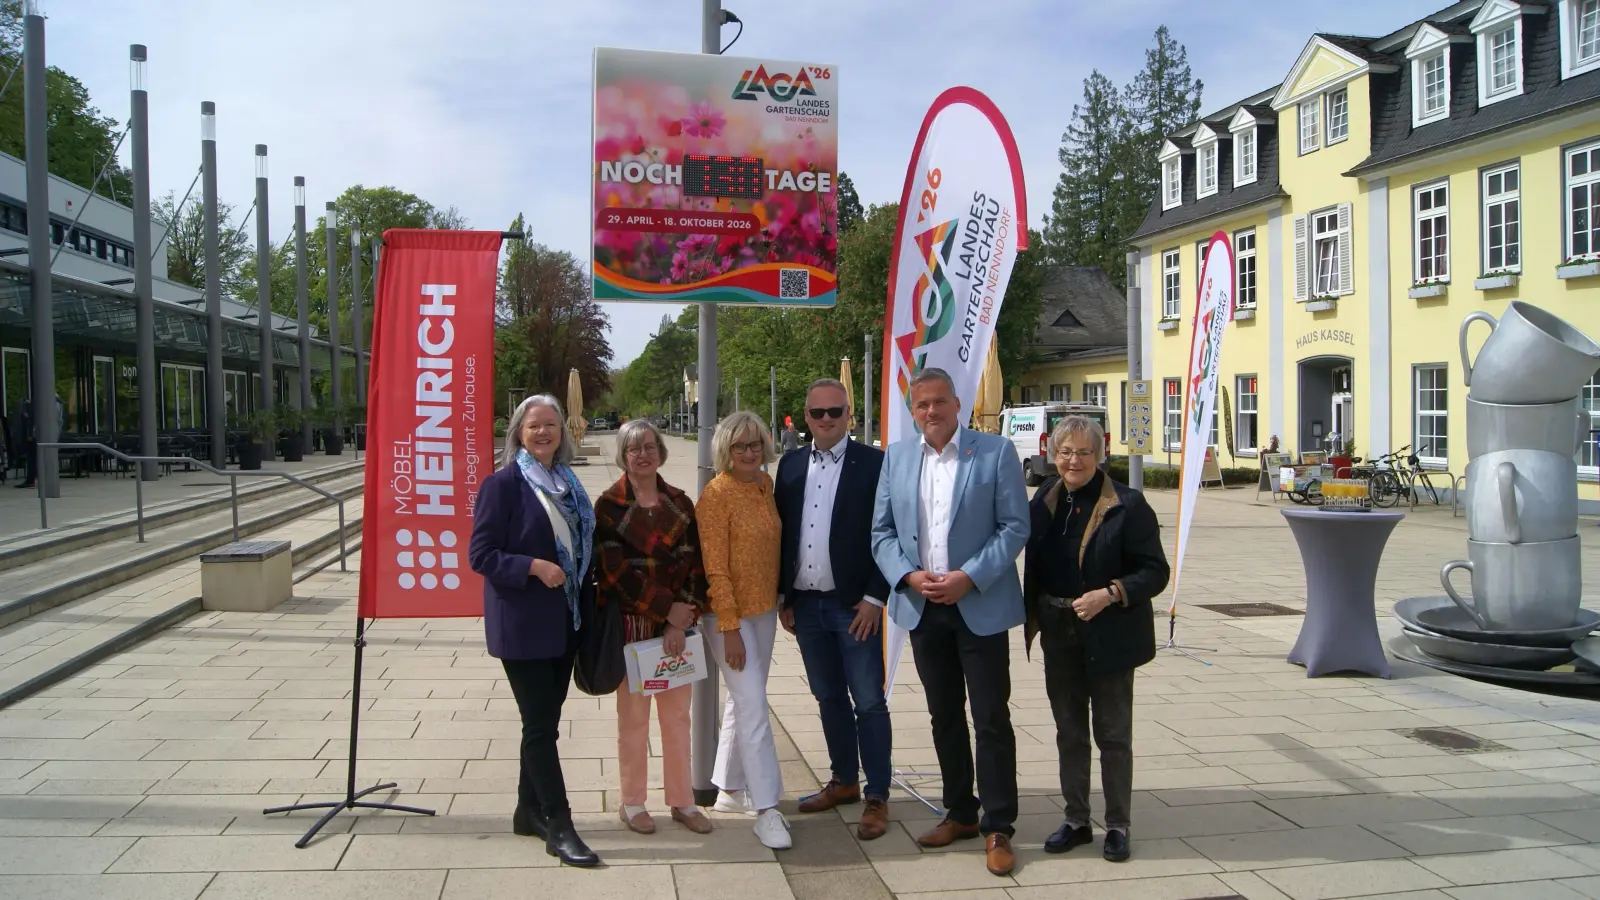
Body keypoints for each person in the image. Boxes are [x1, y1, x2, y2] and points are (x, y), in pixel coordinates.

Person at [871, 367, 1029, 877]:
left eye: (940, 402)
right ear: (913, 410)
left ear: (957, 405)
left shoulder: (995, 452)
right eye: (922, 405)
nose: (932, 412)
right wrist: (909, 577)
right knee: (943, 716)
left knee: (990, 717)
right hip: (923, 608)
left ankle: (998, 825)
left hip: (977, 606)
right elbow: (882, 532)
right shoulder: (896, 458)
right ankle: (960, 811)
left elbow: (1014, 526)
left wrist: (969, 577)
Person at [1024, 416, 1169, 863]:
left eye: (1085, 452)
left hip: (1109, 633)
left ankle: (1118, 825)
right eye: (1066, 451)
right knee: (1069, 732)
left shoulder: (1128, 504)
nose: (1074, 460)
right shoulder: (1043, 501)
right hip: (1058, 630)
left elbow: (1155, 571)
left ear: (1100, 454)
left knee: (1112, 734)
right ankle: (1076, 819)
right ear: (1053, 454)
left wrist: (1110, 594)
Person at [468, 394, 600, 868]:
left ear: (562, 432)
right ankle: (559, 823)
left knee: (544, 721)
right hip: (522, 625)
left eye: (551, 425)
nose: (543, 433)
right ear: (518, 433)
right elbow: (480, 555)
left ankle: (527, 811)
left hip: (566, 621)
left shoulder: (568, 482)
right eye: (534, 426)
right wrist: (533, 566)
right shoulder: (502, 485)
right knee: (540, 726)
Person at [775, 379, 892, 840]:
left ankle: (877, 794)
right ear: (805, 417)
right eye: (817, 413)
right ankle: (844, 780)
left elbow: (895, 534)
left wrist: (875, 597)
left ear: (850, 415)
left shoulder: (876, 465)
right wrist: (786, 596)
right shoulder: (789, 466)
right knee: (828, 698)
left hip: (855, 606)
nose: (826, 420)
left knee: (868, 702)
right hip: (807, 607)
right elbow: (784, 535)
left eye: (835, 412)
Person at [594, 419, 714, 837]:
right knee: (633, 720)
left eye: (648, 446)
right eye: (633, 449)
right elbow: (615, 573)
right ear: (623, 457)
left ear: (660, 452)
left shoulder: (681, 503)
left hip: (677, 631)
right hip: (633, 627)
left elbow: (698, 568)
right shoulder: (608, 506)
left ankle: (682, 800)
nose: (642, 454)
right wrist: (667, 612)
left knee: (678, 719)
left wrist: (686, 614)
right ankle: (632, 801)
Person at [697, 410, 791, 850]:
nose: (750, 452)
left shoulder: (765, 487)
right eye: (740, 446)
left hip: (764, 612)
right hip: (727, 618)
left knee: (742, 702)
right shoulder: (717, 494)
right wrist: (729, 627)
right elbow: (714, 567)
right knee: (754, 706)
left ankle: (729, 789)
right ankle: (768, 809)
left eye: (755, 444)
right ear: (726, 451)